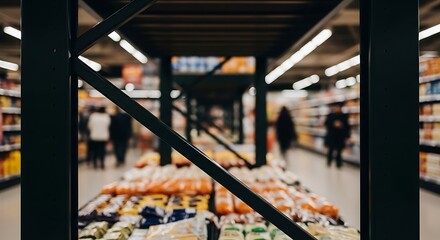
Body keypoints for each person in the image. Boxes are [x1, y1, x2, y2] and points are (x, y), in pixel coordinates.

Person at [324, 102, 350, 168]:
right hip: (332, 135)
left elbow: (347, 127)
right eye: (337, 107)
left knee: (339, 150)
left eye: (339, 107)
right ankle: (329, 161)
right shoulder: (330, 115)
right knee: (331, 149)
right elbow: (326, 124)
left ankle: (338, 163)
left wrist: (342, 126)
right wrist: (333, 124)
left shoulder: (344, 116)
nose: (338, 108)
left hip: (340, 136)